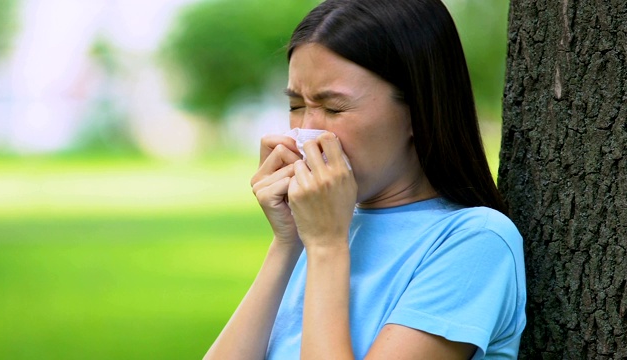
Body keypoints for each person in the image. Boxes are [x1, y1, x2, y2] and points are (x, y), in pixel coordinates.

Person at [205, 0, 526, 358]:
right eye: (296, 106)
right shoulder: (325, 227)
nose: (305, 132)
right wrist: (287, 241)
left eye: (333, 108)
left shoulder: (475, 240)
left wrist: (326, 247)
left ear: (418, 111)